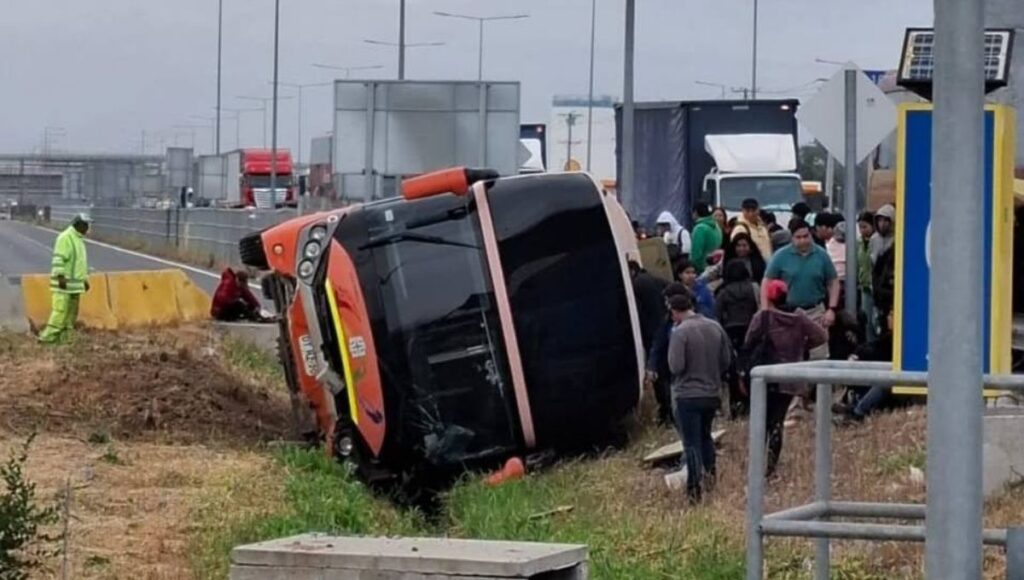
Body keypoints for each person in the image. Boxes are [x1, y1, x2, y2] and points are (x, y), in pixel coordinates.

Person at [745, 280, 828, 476]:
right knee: (777, 422)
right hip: (790, 377)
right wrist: (802, 348)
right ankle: (771, 466)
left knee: (761, 421)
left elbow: (748, 342)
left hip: (765, 376)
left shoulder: (763, 317)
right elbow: (821, 336)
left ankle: (757, 464)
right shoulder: (798, 317)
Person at [667, 292, 733, 502]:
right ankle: (711, 478)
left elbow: (675, 366)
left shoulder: (680, 332)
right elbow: (726, 360)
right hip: (712, 393)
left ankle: (694, 489)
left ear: (674, 311)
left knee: (691, 442)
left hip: (688, 394)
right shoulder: (715, 327)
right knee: (706, 437)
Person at [762, 220, 840, 337]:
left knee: (819, 353)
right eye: (798, 237)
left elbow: (833, 282)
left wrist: (832, 309)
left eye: (806, 236)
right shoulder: (780, 256)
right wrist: (767, 310)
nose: (803, 241)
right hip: (788, 313)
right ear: (792, 238)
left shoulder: (821, 254)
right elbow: (766, 282)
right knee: (790, 352)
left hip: (815, 312)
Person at [715, 261, 760, 417]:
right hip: (751, 330)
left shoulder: (723, 292)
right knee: (753, 367)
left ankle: (737, 406)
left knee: (734, 370)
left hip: (731, 332)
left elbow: (717, 315)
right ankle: (754, 403)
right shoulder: (754, 288)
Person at [39, 214, 91, 344]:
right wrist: (60, 277)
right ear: (78, 224)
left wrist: (84, 280)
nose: (88, 228)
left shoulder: (79, 240)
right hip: (64, 286)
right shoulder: (65, 237)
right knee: (60, 313)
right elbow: (58, 259)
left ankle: (65, 341)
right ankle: (46, 339)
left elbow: (79, 264)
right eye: (86, 225)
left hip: (74, 287)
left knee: (70, 317)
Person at [646, 283, 691, 425]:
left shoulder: (698, 319)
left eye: (667, 300)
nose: (665, 303)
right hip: (673, 369)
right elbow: (658, 343)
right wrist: (651, 366)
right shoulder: (667, 321)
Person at [842, 311, 895, 422]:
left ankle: (857, 413)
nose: (888, 317)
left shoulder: (899, 339)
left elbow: (876, 349)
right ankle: (855, 403)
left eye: (892, 315)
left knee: (883, 382)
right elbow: (873, 346)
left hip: (896, 381)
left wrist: (858, 354)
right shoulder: (889, 336)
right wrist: (857, 354)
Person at [629, 260, 669, 354]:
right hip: (664, 323)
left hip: (649, 328)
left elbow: (638, 311)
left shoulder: (635, 285)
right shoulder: (656, 279)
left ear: (632, 271)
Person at [871, 205, 897, 325]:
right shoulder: (874, 239)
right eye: (880, 220)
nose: (882, 224)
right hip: (876, 282)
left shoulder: (897, 239)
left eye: (886, 220)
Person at [856, 211, 877, 341]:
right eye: (860, 227)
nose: (862, 230)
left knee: (875, 321)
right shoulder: (859, 243)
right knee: (866, 320)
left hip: (875, 286)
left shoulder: (877, 242)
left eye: (865, 227)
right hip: (864, 287)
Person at [689, 202, 723, 274]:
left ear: (695, 212)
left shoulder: (700, 228)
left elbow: (696, 253)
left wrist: (692, 268)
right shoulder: (716, 226)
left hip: (701, 269)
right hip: (715, 267)